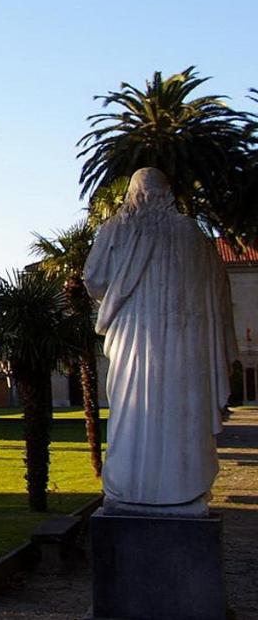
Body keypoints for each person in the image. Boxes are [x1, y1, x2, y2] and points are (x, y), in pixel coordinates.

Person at [83, 167, 238, 514]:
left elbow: (94, 278)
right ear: (167, 194)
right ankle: (184, 487)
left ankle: (131, 486)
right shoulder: (192, 235)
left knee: (132, 408)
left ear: (133, 194)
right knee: (181, 408)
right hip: (186, 343)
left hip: (134, 336)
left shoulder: (118, 228)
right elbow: (217, 289)